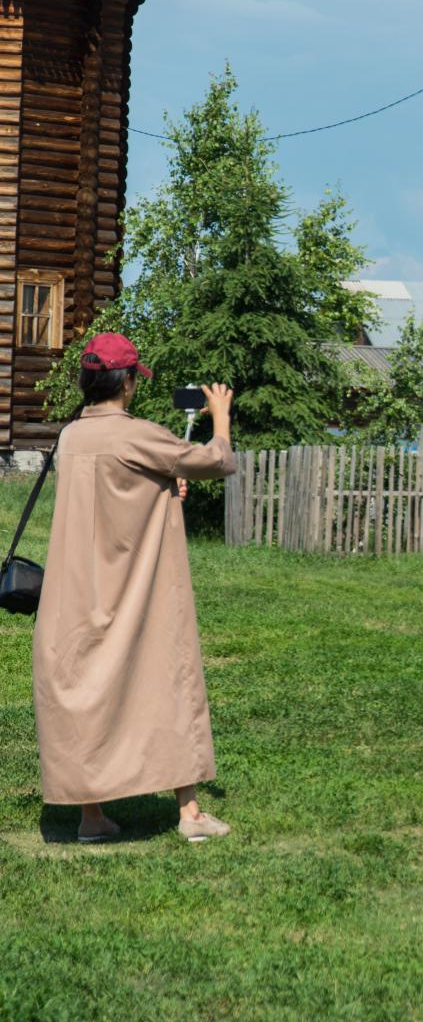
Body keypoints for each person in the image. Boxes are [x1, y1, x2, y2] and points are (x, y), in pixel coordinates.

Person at [32, 334, 237, 843]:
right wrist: (221, 417)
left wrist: (163, 489)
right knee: (167, 678)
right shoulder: (139, 434)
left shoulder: (73, 436)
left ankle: (91, 817)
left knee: (80, 693)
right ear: (125, 382)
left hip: (76, 589)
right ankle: (190, 815)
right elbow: (217, 462)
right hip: (132, 589)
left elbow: (110, 494)